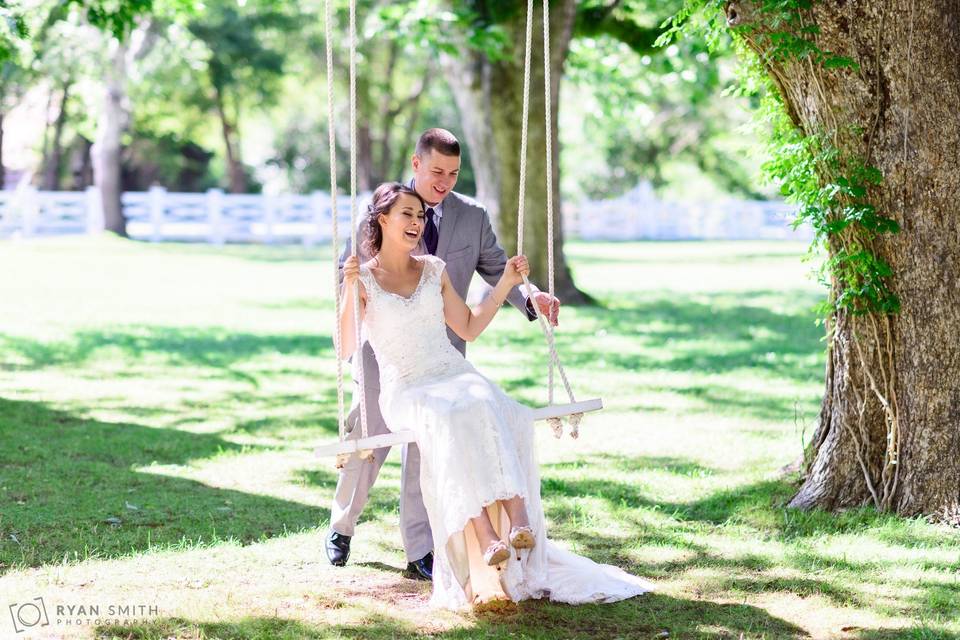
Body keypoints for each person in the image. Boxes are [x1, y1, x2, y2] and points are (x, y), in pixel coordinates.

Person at [336, 181, 652, 608]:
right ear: (382, 220)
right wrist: (347, 291)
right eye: (406, 214)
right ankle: (485, 536)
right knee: (449, 418)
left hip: (450, 370)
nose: (416, 222)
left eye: (420, 215)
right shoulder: (365, 279)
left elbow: (467, 327)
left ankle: (518, 520)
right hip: (407, 385)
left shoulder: (433, 268)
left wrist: (505, 282)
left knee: (485, 402)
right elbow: (345, 348)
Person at [325, 129, 560, 580]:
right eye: (436, 172)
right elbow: (350, 279)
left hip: (444, 354)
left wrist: (532, 297)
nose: (444, 182)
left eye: (452, 174)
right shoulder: (379, 210)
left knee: (432, 445)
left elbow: (497, 271)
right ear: (416, 164)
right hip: (384, 354)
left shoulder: (471, 217)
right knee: (368, 439)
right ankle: (342, 526)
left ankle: (419, 549)